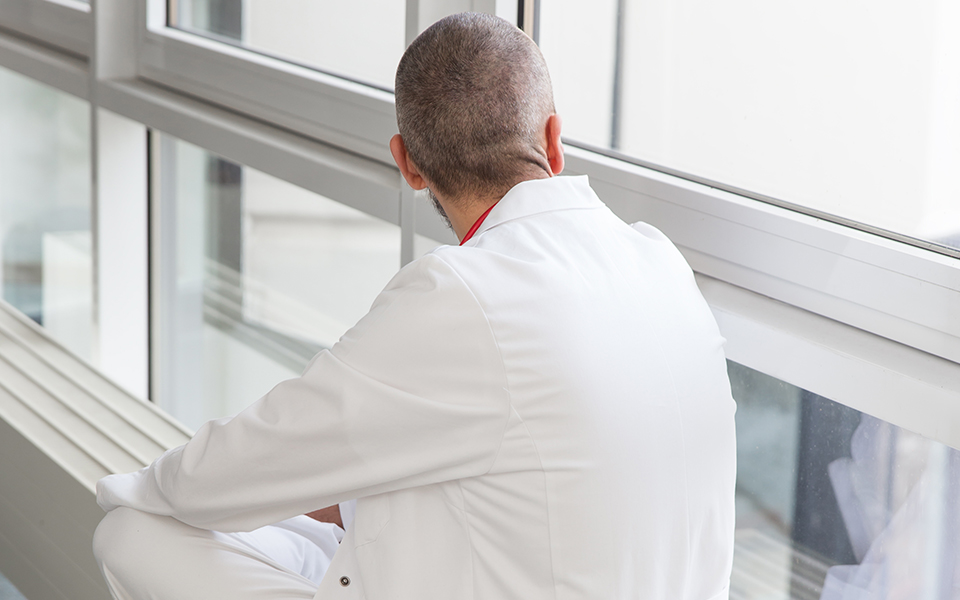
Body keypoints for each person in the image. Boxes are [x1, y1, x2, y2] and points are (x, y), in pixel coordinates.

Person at [93, 12, 737, 600]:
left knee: (131, 535)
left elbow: (226, 474)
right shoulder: (659, 262)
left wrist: (132, 491)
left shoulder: (465, 294)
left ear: (408, 164)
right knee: (326, 520)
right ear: (553, 137)